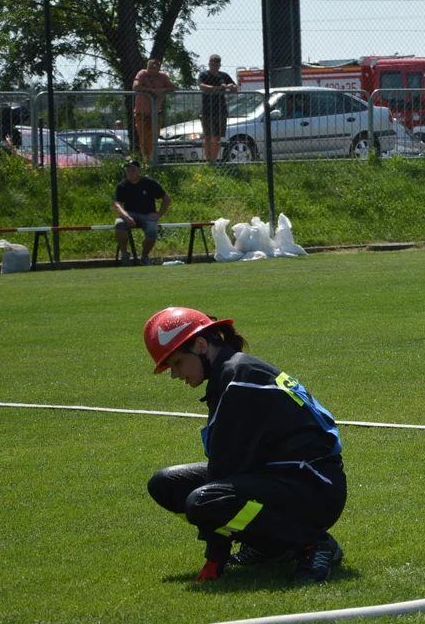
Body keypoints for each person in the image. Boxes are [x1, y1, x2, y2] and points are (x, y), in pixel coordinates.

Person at [143, 307, 347, 582]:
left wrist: (215, 557)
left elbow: (223, 470)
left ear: (201, 345)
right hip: (284, 479)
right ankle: (270, 547)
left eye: (177, 362)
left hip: (314, 489)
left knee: (203, 501)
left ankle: (314, 543)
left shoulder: (240, 379)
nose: (175, 374)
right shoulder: (230, 374)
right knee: (165, 484)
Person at [113, 159, 171, 266]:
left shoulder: (149, 183)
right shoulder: (122, 185)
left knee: (153, 231)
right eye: (128, 170)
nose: (130, 173)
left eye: (133, 170)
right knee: (119, 224)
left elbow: (166, 199)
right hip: (129, 214)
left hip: (147, 215)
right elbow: (117, 205)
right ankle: (125, 255)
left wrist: (159, 214)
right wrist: (126, 216)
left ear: (139, 171)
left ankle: (144, 256)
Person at [132, 59, 176, 162]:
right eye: (149, 68)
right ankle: (146, 161)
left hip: (156, 113)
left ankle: (152, 160)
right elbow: (135, 87)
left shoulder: (162, 76)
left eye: (154, 68)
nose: (151, 70)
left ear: (158, 69)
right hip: (141, 113)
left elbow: (173, 87)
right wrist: (151, 91)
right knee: (144, 139)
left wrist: (162, 90)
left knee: (153, 138)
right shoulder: (142, 74)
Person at [198, 54, 237, 163]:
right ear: (209, 64)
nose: (214, 66)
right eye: (212, 64)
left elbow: (235, 87)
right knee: (207, 136)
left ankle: (214, 161)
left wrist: (231, 86)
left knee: (217, 137)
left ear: (220, 65)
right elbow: (202, 86)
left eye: (216, 64)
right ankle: (208, 160)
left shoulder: (224, 75)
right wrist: (219, 88)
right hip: (207, 110)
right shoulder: (204, 75)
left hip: (221, 110)